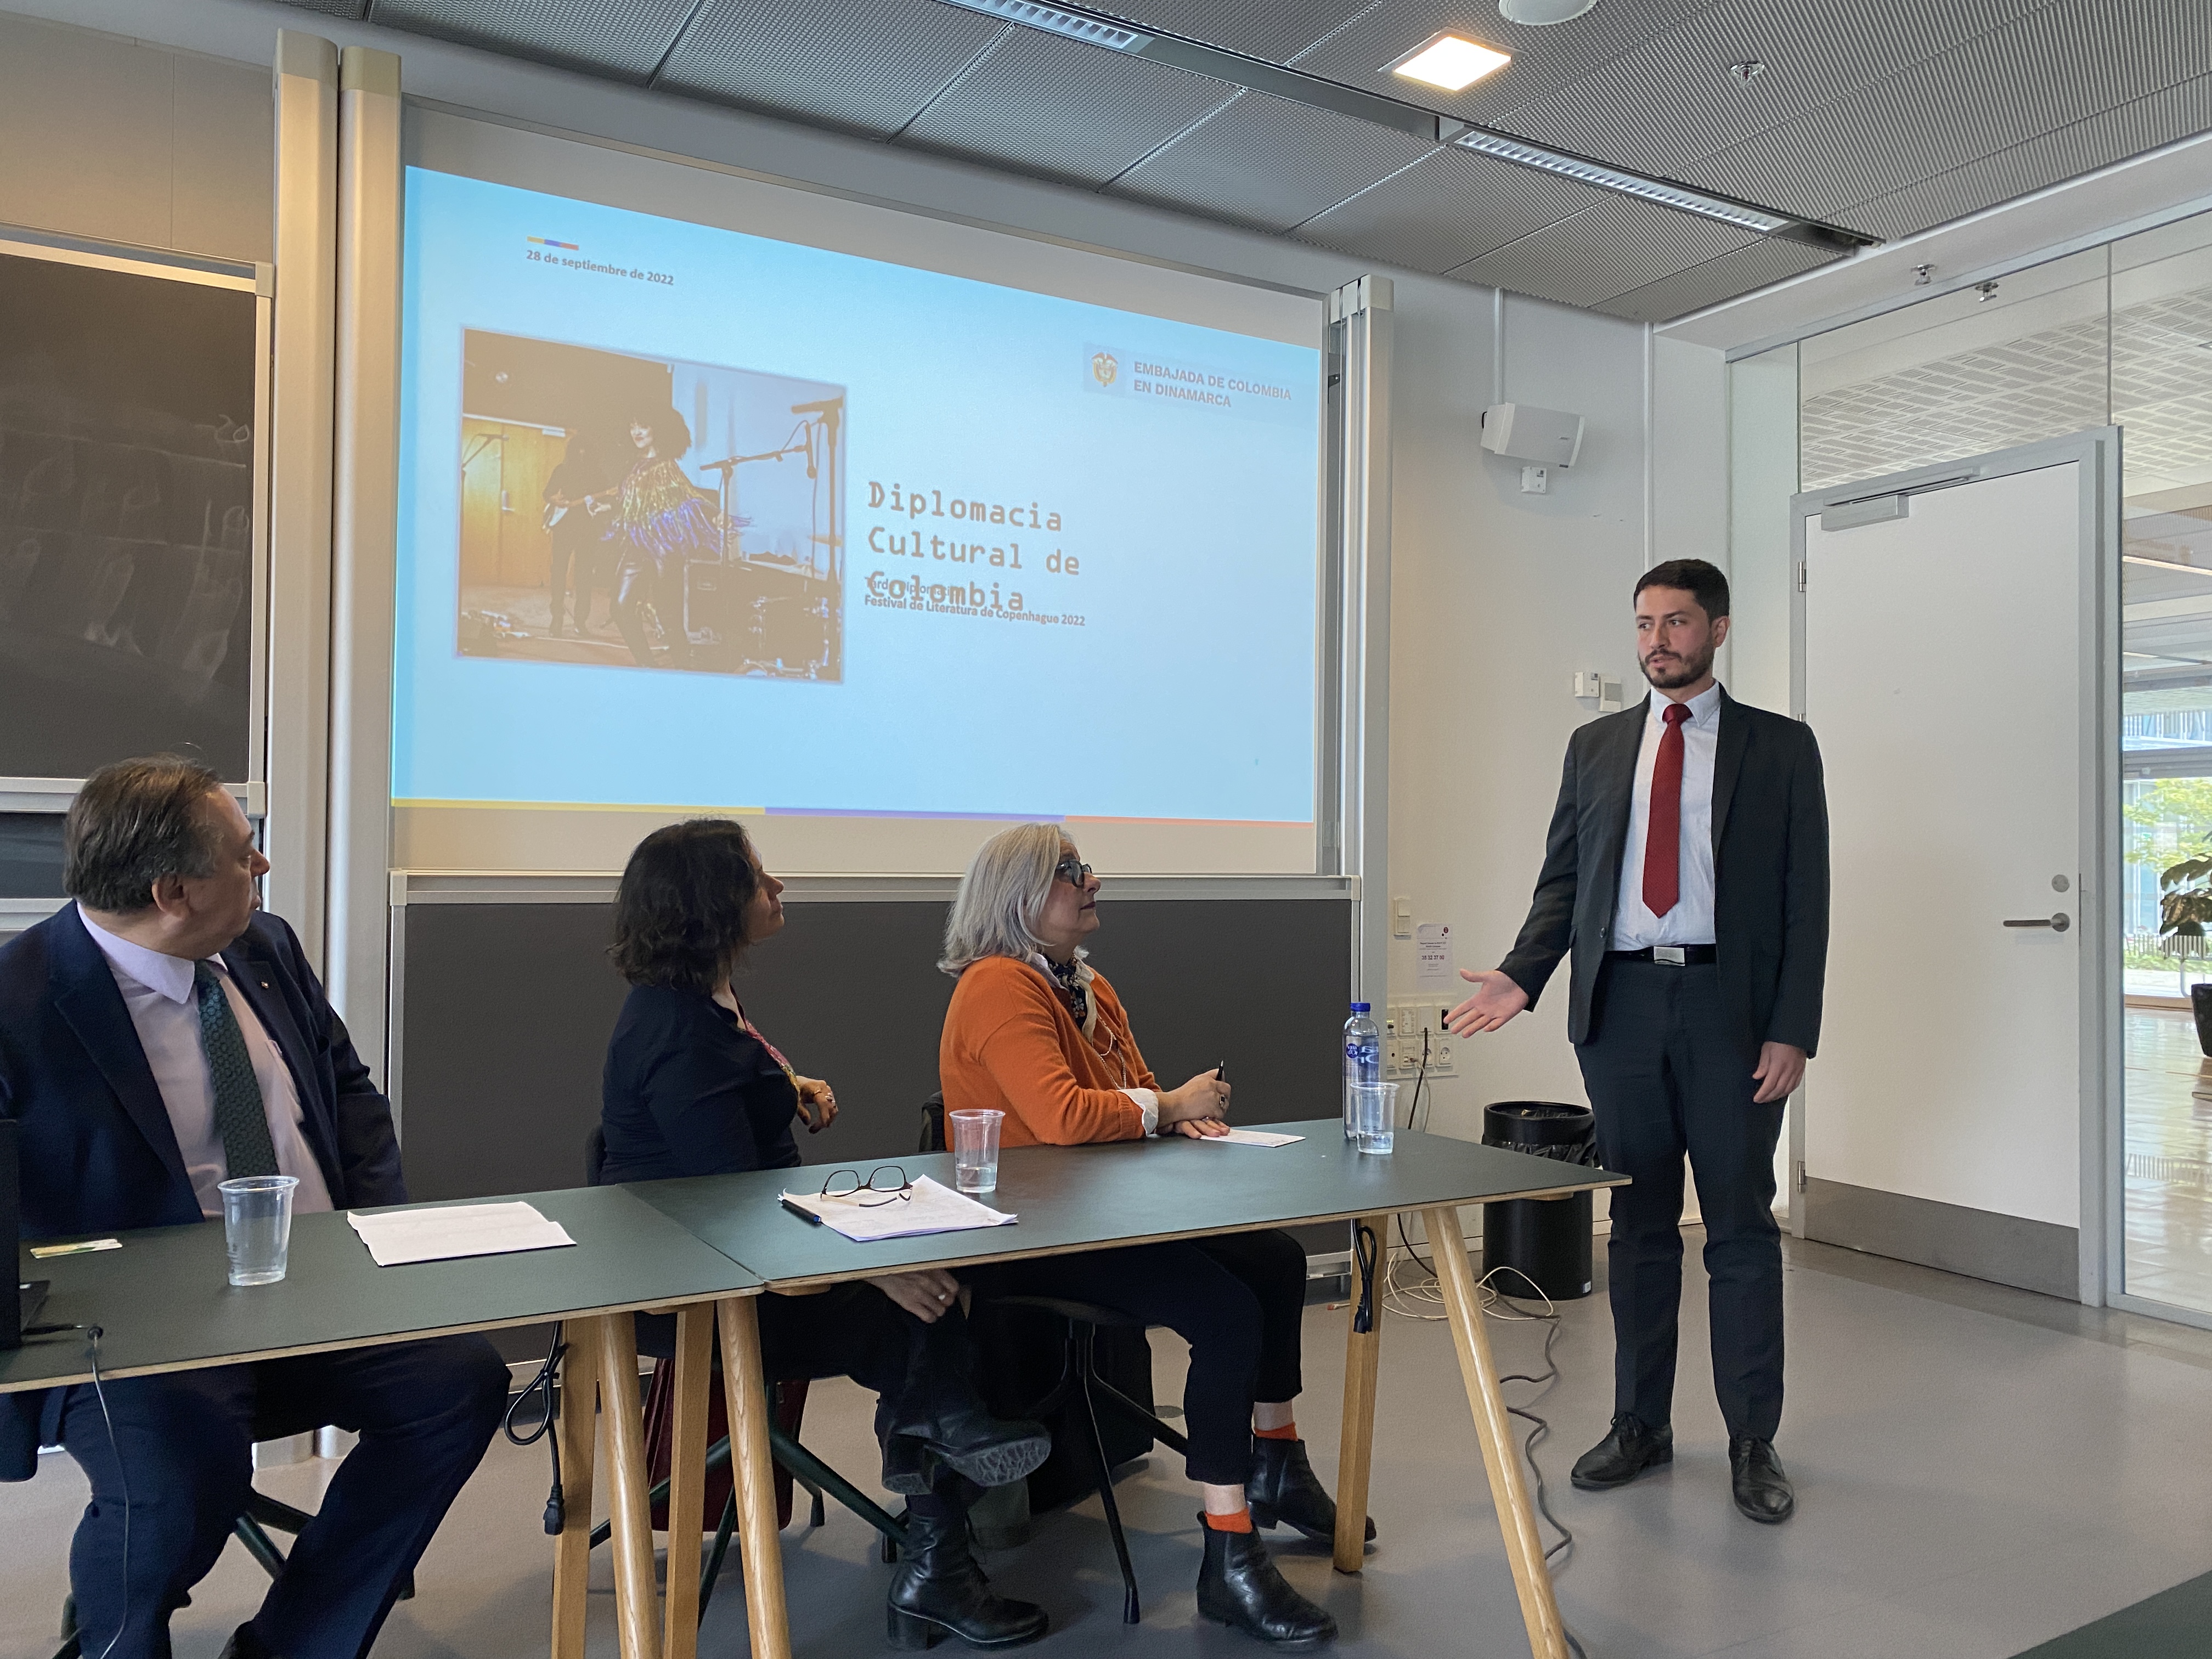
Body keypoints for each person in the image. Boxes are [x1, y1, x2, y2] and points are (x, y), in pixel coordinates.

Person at [0, 757, 510, 1659]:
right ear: (174, 890)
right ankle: (119, 1638)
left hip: (318, 1287)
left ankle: (298, 1640)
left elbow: (349, 1096)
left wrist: (379, 1238)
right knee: (176, 1470)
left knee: (457, 1382)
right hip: (139, 1337)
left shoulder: (263, 946)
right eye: (245, 853)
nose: (262, 866)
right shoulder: (20, 1002)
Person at [599, 817, 1052, 1650]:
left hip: (761, 1250)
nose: (778, 889)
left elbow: (732, 1135)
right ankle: (937, 1531)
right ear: (711, 905)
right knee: (925, 1307)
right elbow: (735, 1205)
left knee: (932, 1300)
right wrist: (872, 1271)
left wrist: (789, 1085)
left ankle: (936, 1469)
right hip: (712, 1288)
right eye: (759, 878)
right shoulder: (676, 1034)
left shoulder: (703, 1003)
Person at [1447, 557, 1829, 1525]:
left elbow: (1805, 903)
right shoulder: (1595, 745)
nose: (1657, 639)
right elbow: (1563, 881)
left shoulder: (1780, 748)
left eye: (1677, 622)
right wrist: (1521, 972)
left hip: (1729, 1014)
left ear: (1719, 629)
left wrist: (1793, 1028)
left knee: (1739, 1229)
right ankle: (1639, 1423)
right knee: (1642, 1229)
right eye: (1645, 623)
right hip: (1618, 1010)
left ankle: (1750, 1438)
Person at [938, 822, 1364, 1652]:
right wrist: (1171, 1108)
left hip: (1110, 1216)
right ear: (1023, 899)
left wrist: (1175, 1119)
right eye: (1072, 871)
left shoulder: (1086, 987)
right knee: (1225, 1311)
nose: (1093, 880)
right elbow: (1069, 1117)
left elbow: (1133, 1093)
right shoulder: (996, 985)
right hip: (1041, 1235)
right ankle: (1230, 1554)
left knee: (1275, 1260)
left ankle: (1276, 1459)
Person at [602, 404, 736, 669]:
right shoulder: (634, 465)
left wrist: (715, 515)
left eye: (643, 426)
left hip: (664, 547)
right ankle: (647, 666)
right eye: (632, 426)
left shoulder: (665, 467)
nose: (636, 432)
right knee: (620, 607)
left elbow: (688, 496)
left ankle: (684, 667)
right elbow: (631, 502)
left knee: (669, 616)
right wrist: (607, 506)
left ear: (659, 429)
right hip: (637, 545)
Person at [542, 428, 608, 635]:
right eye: (578, 451)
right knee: (559, 572)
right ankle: (557, 620)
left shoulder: (598, 474)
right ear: (572, 452)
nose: (581, 454)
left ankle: (580, 621)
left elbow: (607, 498)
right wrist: (554, 499)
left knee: (584, 576)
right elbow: (547, 494)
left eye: (585, 451)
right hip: (564, 526)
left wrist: (600, 504)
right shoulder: (562, 470)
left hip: (588, 528)